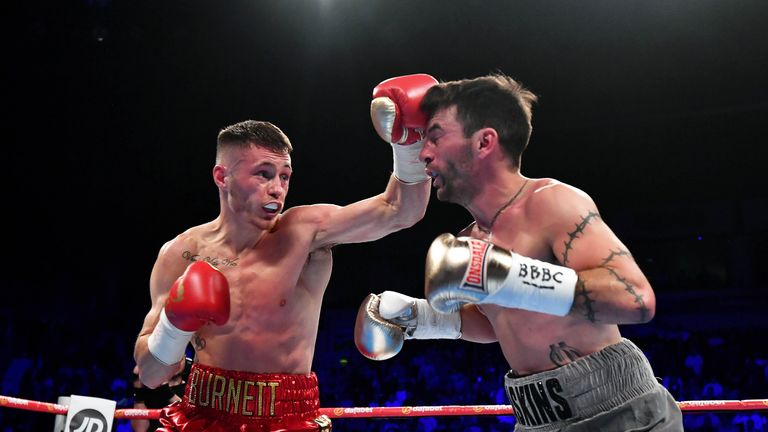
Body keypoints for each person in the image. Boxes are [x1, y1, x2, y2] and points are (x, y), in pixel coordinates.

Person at [355, 73, 684, 431]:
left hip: (618, 414)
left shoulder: (552, 203)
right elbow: (496, 319)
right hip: (534, 417)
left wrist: (507, 275)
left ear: (484, 142)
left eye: (435, 137)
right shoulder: (470, 240)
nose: (424, 153)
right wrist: (419, 317)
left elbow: (636, 299)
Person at [133, 73, 437, 431]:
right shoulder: (181, 253)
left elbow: (400, 210)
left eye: (285, 176)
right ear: (221, 176)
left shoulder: (303, 232)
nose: (277, 189)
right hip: (203, 413)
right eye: (263, 174)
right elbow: (152, 375)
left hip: (288, 416)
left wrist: (409, 143)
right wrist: (174, 326)